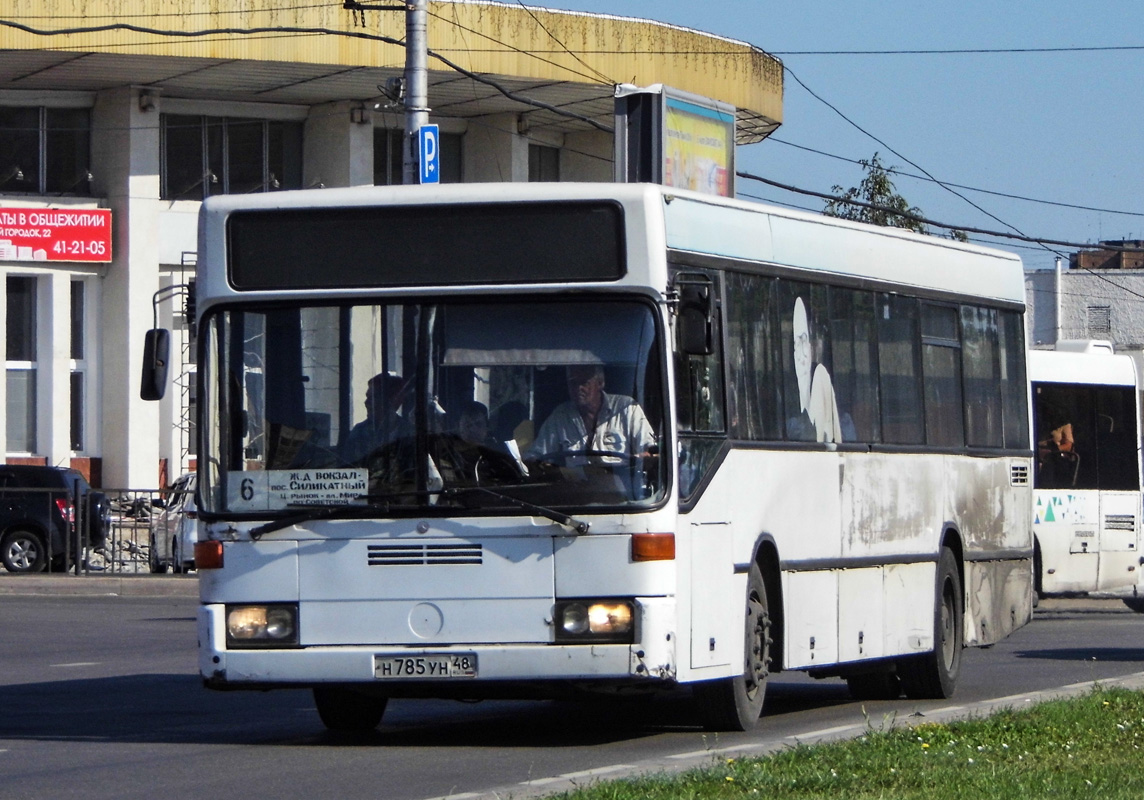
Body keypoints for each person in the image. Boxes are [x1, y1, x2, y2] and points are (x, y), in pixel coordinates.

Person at [527, 364, 656, 461]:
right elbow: (536, 456)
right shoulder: (560, 415)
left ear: (600, 383)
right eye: (573, 383)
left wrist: (637, 460)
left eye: (584, 382)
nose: (579, 388)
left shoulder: (627, 408)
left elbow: (651, 451)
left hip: (625, 493)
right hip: (576, 492)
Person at [789, 296, 842, 443]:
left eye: (804, 343)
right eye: (796, 345)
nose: (802, 356)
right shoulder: (789, 394)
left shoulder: (821, 377)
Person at [340, 372, 411, 465]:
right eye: (367, 397)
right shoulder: (359, 433)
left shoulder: (409, 433)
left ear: (393, 400)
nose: (366, 402)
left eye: (373, 397)